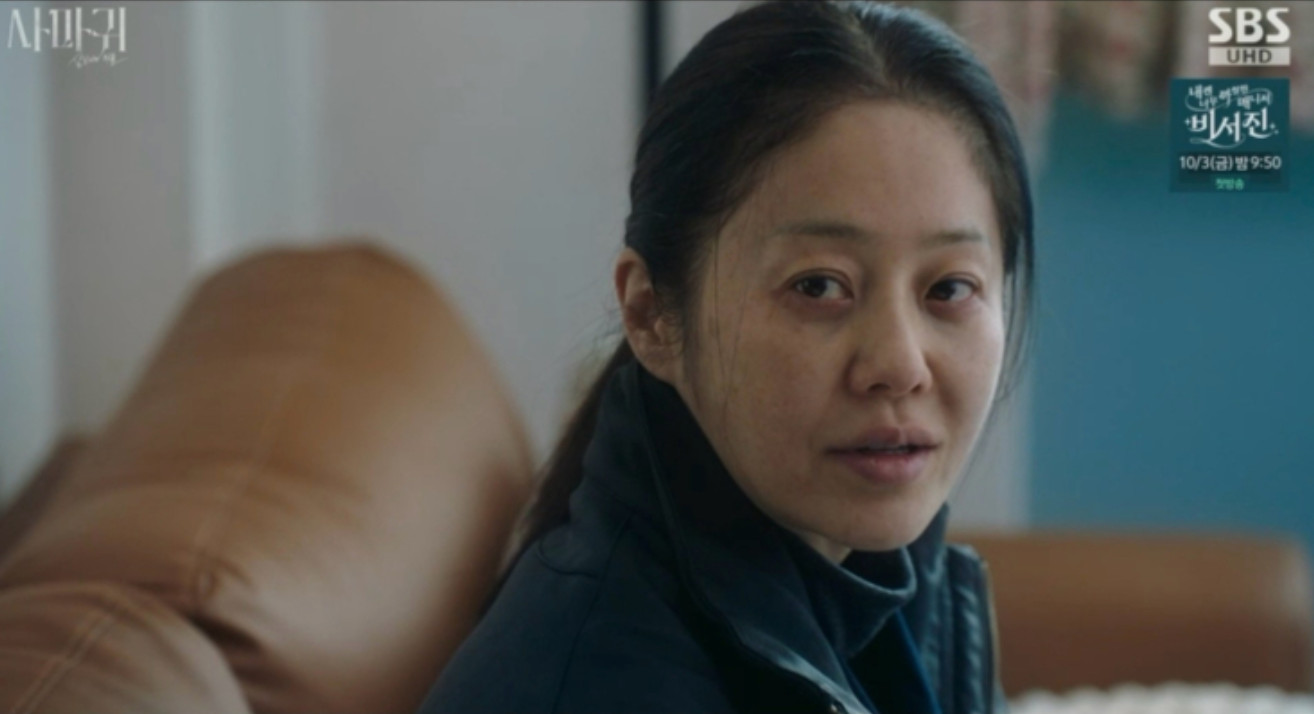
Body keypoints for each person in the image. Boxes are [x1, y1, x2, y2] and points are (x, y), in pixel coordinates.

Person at [418, 1, 1034, 712]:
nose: (899, 365)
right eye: (819, 286)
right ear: (651, 315)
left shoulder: (872, 569)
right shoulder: (606, 684)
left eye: (949, 288)